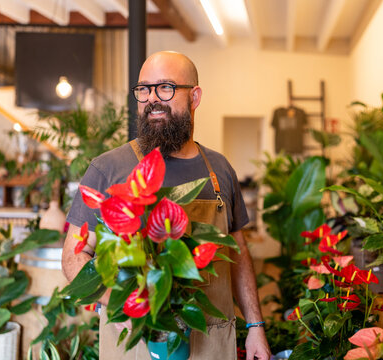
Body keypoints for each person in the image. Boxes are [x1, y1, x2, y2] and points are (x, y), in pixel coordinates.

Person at [62, 51, 271, 360]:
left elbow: (237, 254)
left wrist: (255, 325)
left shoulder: (219, 169)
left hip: (210, 344)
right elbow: (73, 258)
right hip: (133, 345)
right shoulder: (107, 169)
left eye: (166, 88)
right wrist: (131, 305)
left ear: (195, 96)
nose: (152, 99)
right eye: (144, 89)